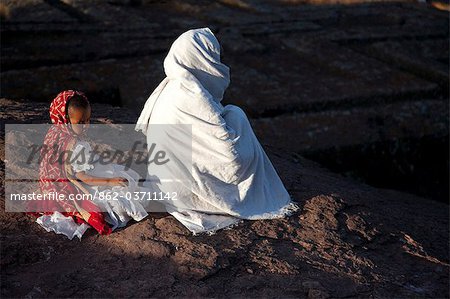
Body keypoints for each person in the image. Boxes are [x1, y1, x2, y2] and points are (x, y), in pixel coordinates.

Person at [135, 28, 298, 234]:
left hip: (165, 182)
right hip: (185, 191)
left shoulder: (171, 86)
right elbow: (230, 161)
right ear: (200, 57)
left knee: (231, 114)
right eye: (214, 56)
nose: (219, 62)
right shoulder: (191, 93)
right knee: (236, 114)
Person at [29, 90, 148, 239]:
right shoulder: (77, 145)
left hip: (63, 179)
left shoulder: (55, 132)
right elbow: (84, 177)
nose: (85, 126)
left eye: (88, 120)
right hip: (80, 180)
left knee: (118, 173)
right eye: (80, 122)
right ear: (65, 120)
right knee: (122, 190)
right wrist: (110, 181)